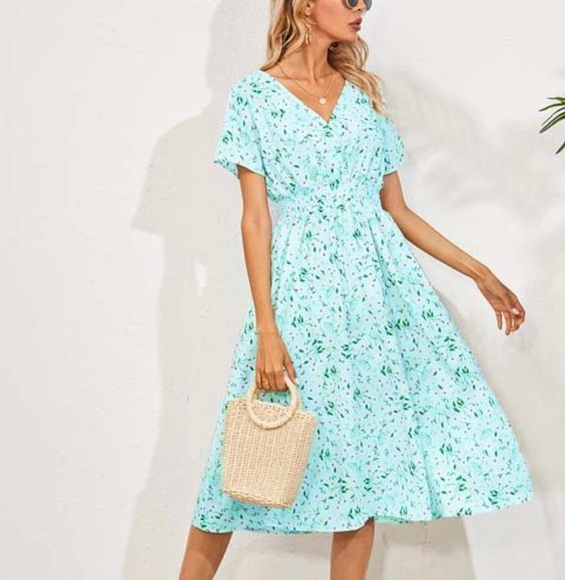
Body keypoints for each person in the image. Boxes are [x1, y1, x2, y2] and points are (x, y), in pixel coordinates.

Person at [178, 0, 535, 578]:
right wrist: (268, 328)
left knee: (364, 466)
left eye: (366, 0)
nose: (361, 8)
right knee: (237, 467)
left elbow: (397, 210)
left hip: (378, 299)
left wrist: (479, 273)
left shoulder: (362, 94)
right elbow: (255, 219)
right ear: (304, 3)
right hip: (302, 298)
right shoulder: (255, 96)